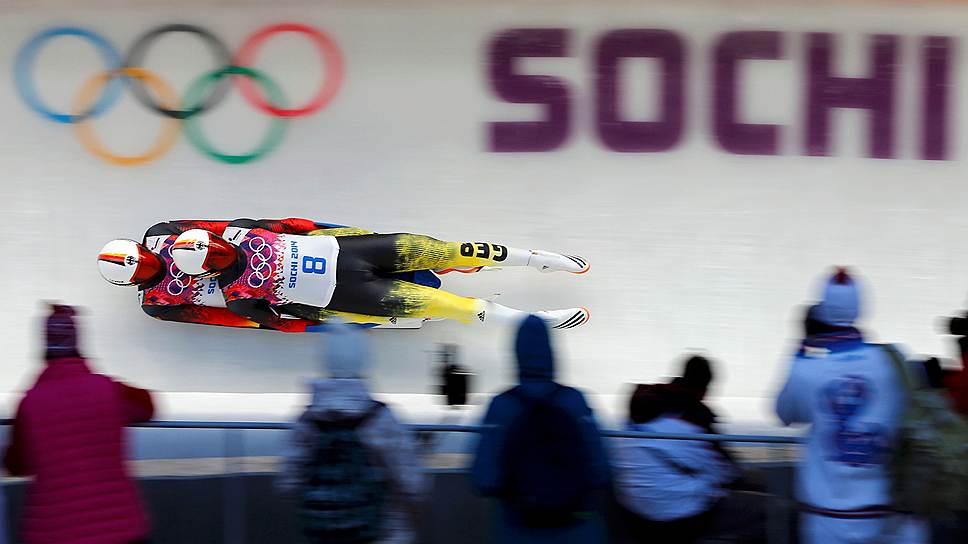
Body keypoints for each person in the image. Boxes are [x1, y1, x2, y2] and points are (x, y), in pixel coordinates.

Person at [167, 218, 591, 331]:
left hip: (353, 249)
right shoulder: (238, 295)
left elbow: (299, 225)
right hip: (352, 293)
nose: (221, 247)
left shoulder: (247, 232)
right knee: (453, 306)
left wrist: (346, 229)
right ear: (209, 266)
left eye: (214, 240)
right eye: (214, 253)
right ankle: (536, 324)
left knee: (450, 249)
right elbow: (283, 323)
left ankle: (534, 257)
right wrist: (333, 321)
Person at [775, 268, 928, 543]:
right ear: (861, 307)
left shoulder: (806, 370)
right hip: (891, 515)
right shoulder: (893, 361)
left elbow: (784, 413)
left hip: (828, 520)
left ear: (819, 314)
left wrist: (801, 348)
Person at [3, 304, 154, 544]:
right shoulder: (108, 390)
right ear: (76, 345)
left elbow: (17, 465)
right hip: (120, 527)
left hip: (54, 533)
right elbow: (147, 406)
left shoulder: (29, 403)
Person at [278, 319, 425, 544]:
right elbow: (410, 481)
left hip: (323, 534)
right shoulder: (380, 418)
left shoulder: (307, 421)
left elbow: (288, 481)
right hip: (378, 532)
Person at [470, 315, 610, 543]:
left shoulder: (501, 406)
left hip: (518, 527)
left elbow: (484, 479)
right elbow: (600, 470)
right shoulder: (575, 401)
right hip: (575, 527)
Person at [97, 218, 370, 332]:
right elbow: (221, 318)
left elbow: (222, 227)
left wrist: (298, 228)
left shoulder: (162, 233)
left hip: (281, 254)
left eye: (145, 259)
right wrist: (281, 324)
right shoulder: (156, 304)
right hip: (272, 297)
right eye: (144, 269)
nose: (152, 265)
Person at [613, 355, 740, 543]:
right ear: (705, 388)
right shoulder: (696, 419)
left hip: (631, 509)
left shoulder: (642, 403)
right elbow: (726, 472)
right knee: (765, 510)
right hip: (675, 517)